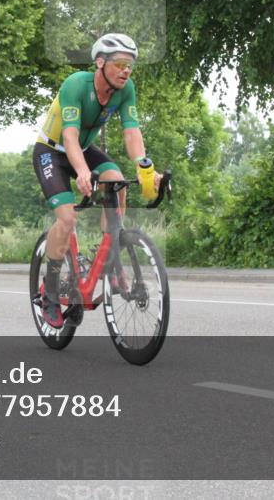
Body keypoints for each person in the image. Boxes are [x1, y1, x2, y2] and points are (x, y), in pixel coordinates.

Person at [32, 33, 162, 327]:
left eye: (130, 65)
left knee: (117, 181)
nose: (125, 70)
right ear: (100, 63)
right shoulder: (76, 84)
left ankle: (112, 252)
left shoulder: (126, 89)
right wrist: (80, 171)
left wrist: (144, 167)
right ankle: (50, 292)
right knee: (66, 220)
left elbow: (132, 132)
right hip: (52, 151)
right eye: (119, 63)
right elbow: (70, 136)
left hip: (85, 149)